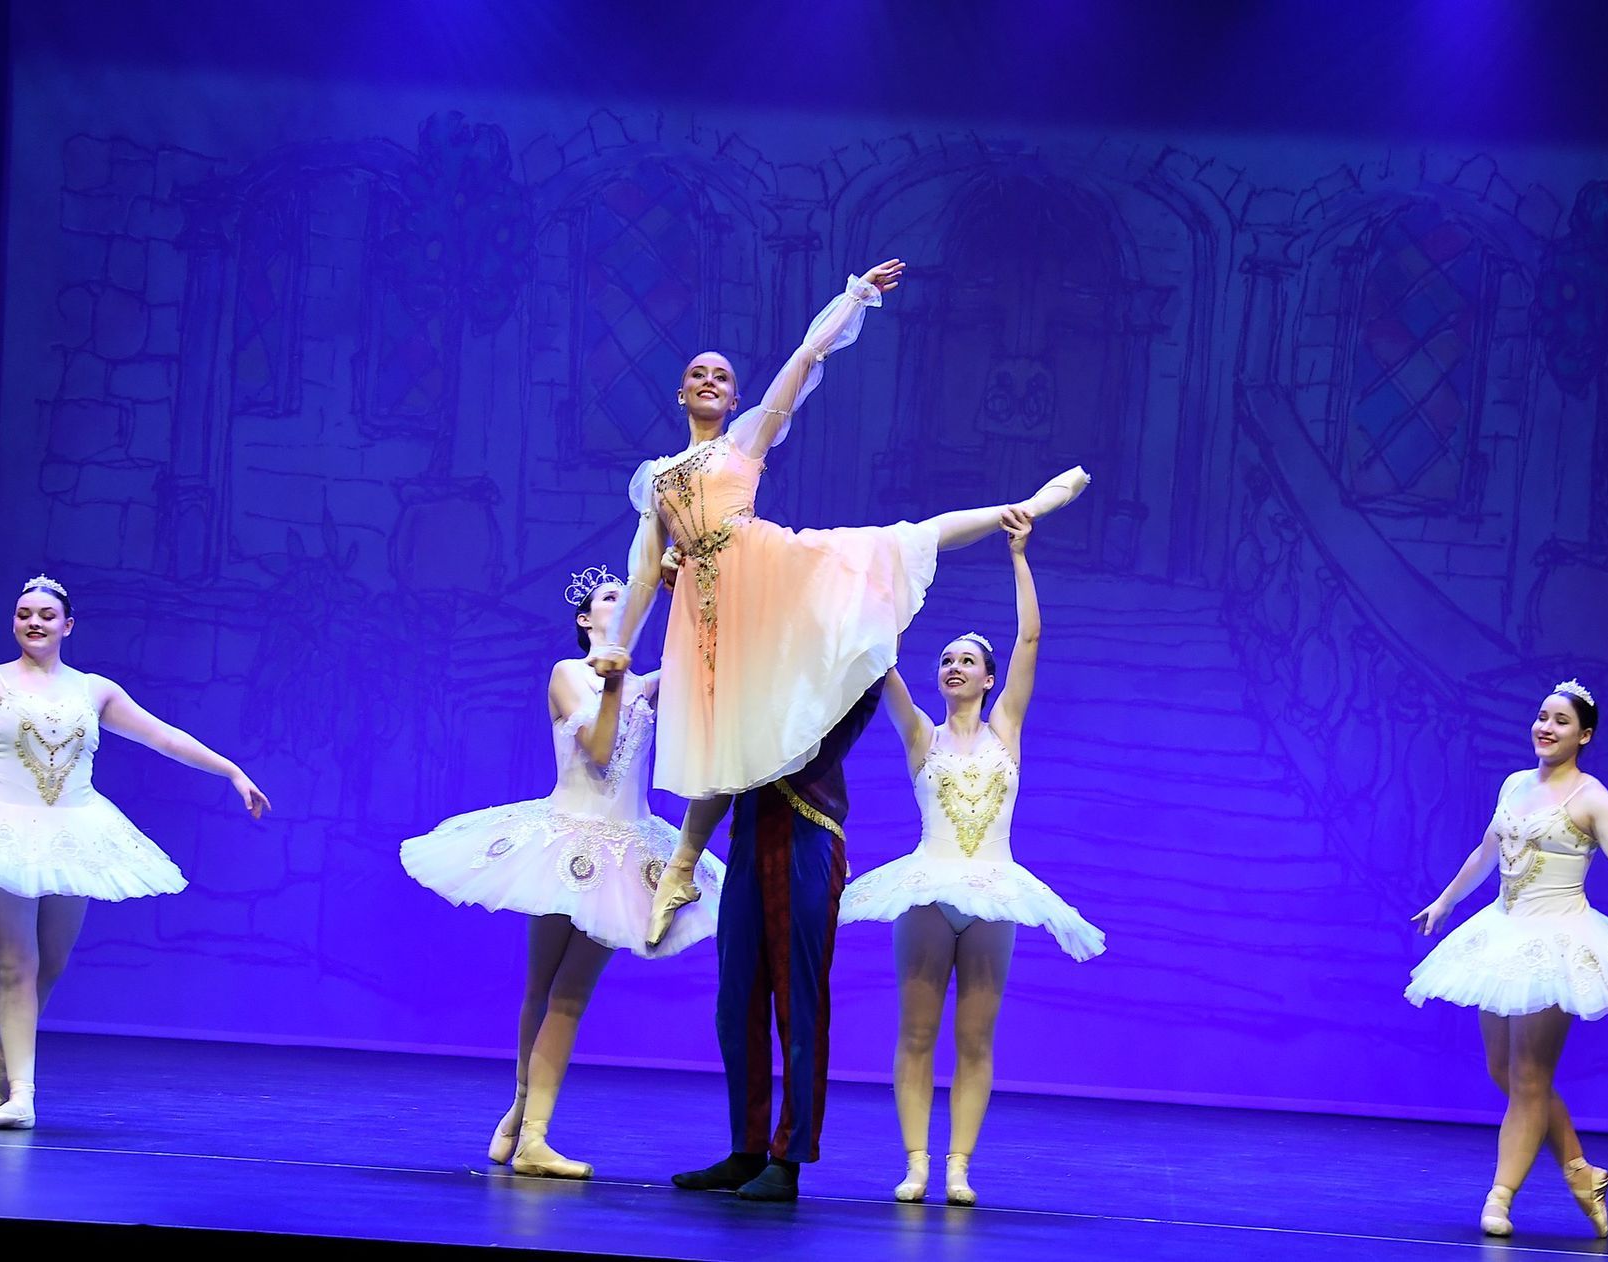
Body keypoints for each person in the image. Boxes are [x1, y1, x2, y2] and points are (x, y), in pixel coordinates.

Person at [587, 259, 1091, 946]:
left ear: (734, 400)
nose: (710, 381)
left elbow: (802, 360)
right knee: (716, 742)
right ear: (681, 394)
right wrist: (618, 640)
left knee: (896, 542)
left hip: (767, 571)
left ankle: (1016, 506)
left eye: (723, 377)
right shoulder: (661, 478)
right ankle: (680, 867)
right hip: (706, 611)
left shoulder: (744, 443)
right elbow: (643, 572)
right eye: (699, 374)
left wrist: (852, 299)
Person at [0, 575, 269, 1129]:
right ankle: (21, 1098)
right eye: (23, 613)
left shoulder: (94, 690)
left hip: (73, 833)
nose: (34, 622)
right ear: (14, 622)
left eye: (46, 615)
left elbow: (163, 736)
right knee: (19, 964)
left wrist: (230, 770)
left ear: (67, 626)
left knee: (49, 964)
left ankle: (1, 1057)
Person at [399, 566, 724, 1179]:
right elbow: (599, 755)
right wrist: (614, 684)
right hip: (565, 839)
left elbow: (697, 652)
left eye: (625, 597)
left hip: (627, 850)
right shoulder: (568, 674)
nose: (620, 601)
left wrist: (681, 592)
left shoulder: (643, 684)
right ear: (585, 619)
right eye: (608, 596)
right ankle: (528, 1127)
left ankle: (525, 1128)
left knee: (568, 994)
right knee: (543, 990)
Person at [839, 509, 1103, 1205]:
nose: (953, 666)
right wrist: (885, 590)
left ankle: (958, 1165)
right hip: (928, 889)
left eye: (966, 660)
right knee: (917, 1032)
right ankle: (917, 1161)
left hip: (992, 890)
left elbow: (1031, 636)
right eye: (946, 660)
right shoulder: (920, 735)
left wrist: (1018, 557)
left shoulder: (1006, 730)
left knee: (976, 1039)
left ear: (988, 679)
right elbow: (880, 663)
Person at [1406, 680, 1608, 1239]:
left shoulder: (1593, 799)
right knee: (1503, 1072)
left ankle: (1499, 1197)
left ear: (1584, 735)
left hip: (1558, 941)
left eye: (1560, 721)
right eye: (1542, 716)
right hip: (1501, 935)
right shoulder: (1513, 784)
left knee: (1530, 1076)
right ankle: (1581, 1172)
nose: (1546, 727)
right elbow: (1487, 851)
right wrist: (1445, 901)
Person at [668, 677, 883, 1202]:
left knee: (798, 1003)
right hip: (747, 837)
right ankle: (746, 1148)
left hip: (808, 836)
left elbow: (871, 668)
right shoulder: (759, 666)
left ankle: (788, 1158)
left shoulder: (843, 664)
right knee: (735, 1004)